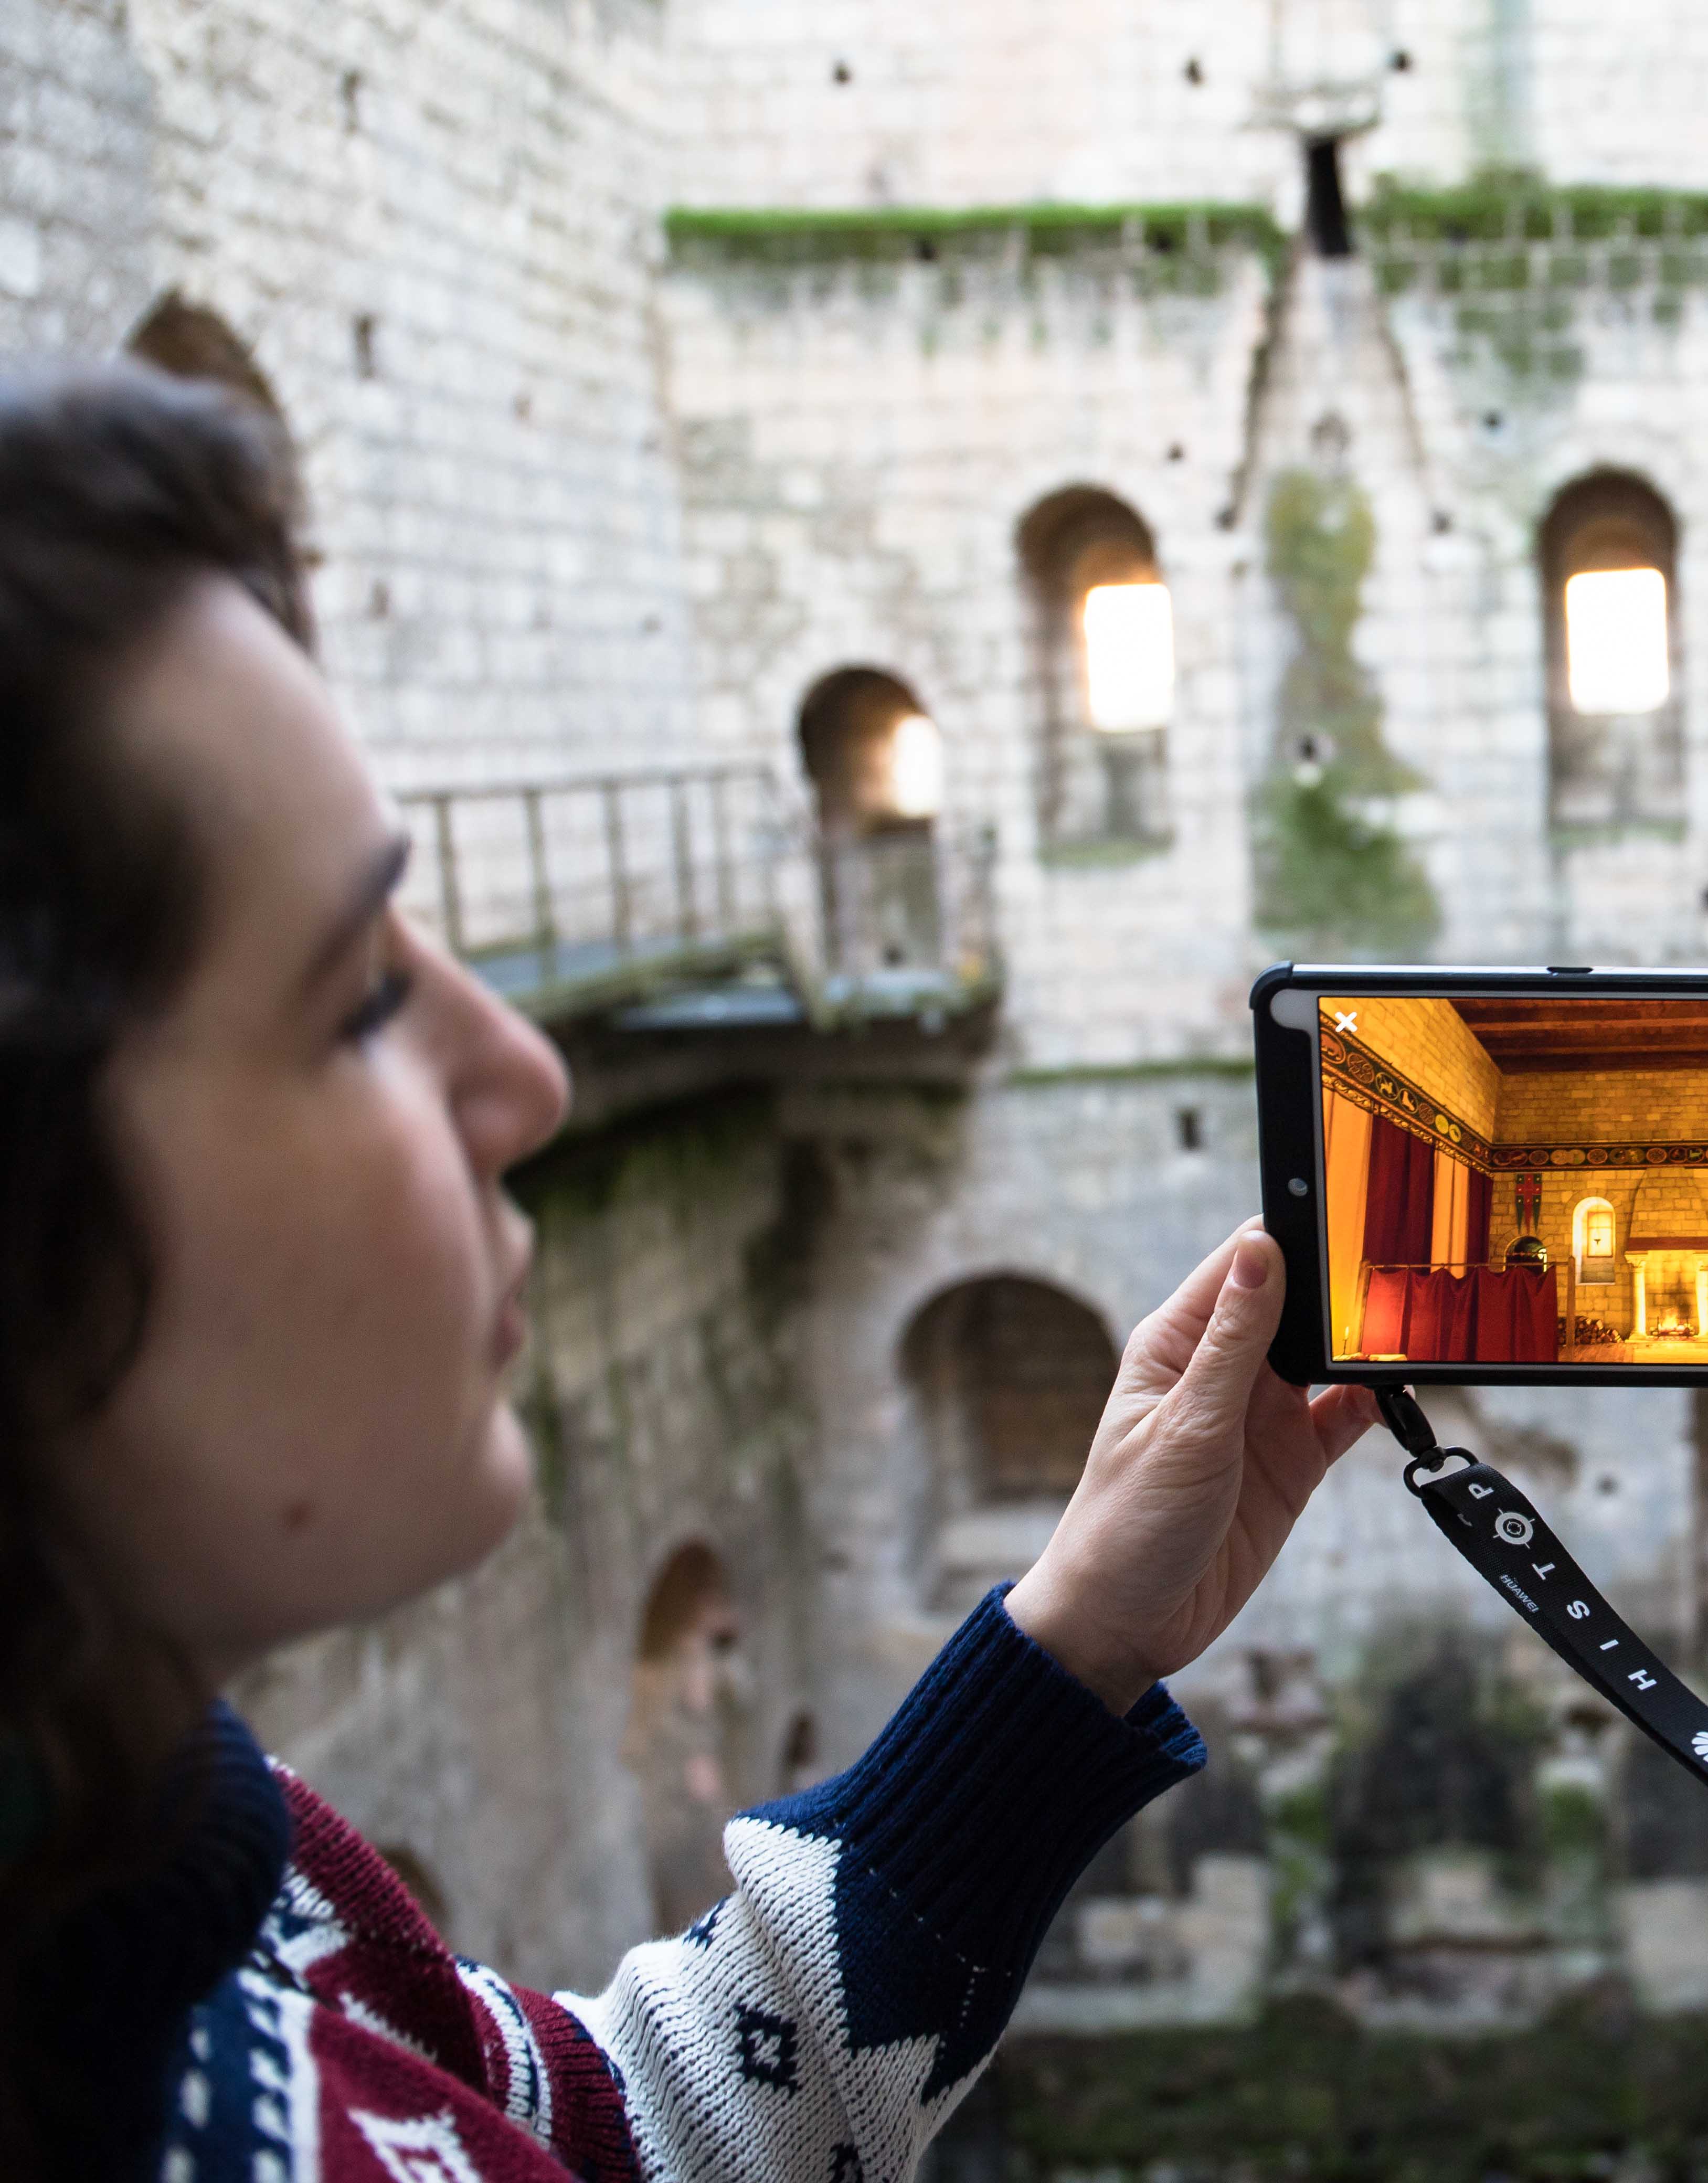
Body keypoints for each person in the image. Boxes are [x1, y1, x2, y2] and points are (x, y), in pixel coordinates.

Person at [0, 365, 1384, 2179]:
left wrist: (1074, 1647)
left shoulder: (176, 1854)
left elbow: (604, 2130)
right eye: (357, 1000)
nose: (526, 1073)